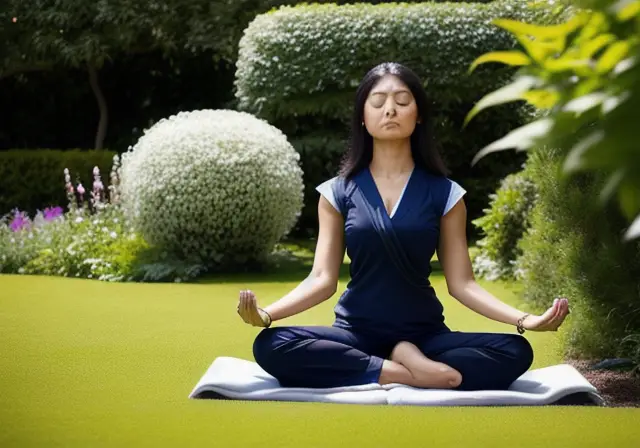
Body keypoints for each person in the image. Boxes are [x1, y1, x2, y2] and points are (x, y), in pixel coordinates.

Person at [236, 62, 570, 391]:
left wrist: (525, 320)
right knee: (271, 344)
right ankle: (401, 372)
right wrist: (266, 315)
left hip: (426, 337)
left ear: (419, 114)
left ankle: (400, 358)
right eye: (378, 102)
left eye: (402, 101)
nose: (391, 110)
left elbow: (462, 284)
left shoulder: (446, 194)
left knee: (514, 351)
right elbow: (322, 280)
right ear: (363, 119)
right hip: (355, 334)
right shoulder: (337, 192)